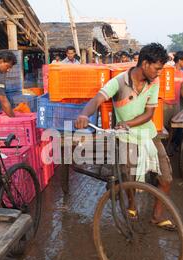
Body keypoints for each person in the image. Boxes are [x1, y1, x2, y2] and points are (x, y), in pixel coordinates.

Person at [75, 43, 176, 231]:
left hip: (148, 134)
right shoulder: (119, 82)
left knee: (166, 177)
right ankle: (131, 204)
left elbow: (149, 114)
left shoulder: (154, 82)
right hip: (125, 138)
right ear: (145, 64)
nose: (159, 73)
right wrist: (84, 115)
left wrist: (128, 123)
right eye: (157, 68)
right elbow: (97, 99)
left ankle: (157, 215)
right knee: (129, 179)